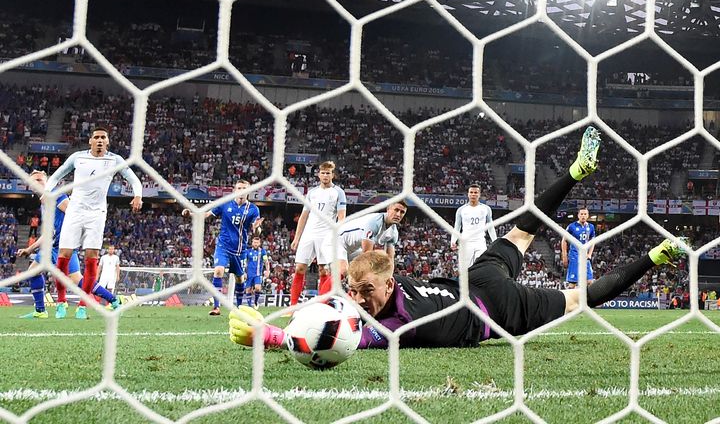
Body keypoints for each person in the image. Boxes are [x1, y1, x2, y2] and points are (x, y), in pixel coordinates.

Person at [229, 127, 685, 349]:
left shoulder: (392, 327)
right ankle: (582, 181)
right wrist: (283, 318)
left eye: (364, 291)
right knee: (526, 234)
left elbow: (336, 339)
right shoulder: (376, 296)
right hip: (477, 279)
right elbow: (331, 315)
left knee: (578, 297)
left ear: (390, 285)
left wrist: (269, 336)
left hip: (493, 308)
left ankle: (650, 252)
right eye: (355, 291)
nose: (358, 299)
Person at [45, 127, 142, 319]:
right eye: (96, 137)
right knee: (64, 255)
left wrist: (138, 195)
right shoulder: (77, 158)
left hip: (97, 214)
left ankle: (83, 305)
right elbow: (57, 175)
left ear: (107, 142)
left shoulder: (115, 160)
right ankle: (61, 302)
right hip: (74, 211)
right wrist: (48, 191)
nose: (99, 140)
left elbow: (134, 179)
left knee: (92, 257)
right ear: (90, 141)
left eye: (103, 137)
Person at [16, 170, 116, 319]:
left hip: (65, 247)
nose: (37, 183)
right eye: (34, 181)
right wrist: (30, 249)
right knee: (33, 271)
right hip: (52, 247)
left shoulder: (57, 196)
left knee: (76, 279)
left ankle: (114, 300)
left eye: (40, 180)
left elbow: (74, 214)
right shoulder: (45, 204)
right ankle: (40, 311)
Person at [182, 179, 263, 316]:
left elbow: (257, 231)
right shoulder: (225, 203)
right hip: (223, 246)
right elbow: (206, 215)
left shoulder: (253, 209)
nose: (241, 190)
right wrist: (190, 214)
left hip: (239, 249)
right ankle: (216, 307)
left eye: (244, 188)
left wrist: (256, 229)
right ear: (234, 190)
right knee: (218, 271)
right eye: (239, 188)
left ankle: (238, 307)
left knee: (239, 278)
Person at [317, 200, 407, 295]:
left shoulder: (393, 233)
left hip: (352, 248)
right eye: (396, 210)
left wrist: (388, 278)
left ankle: (351, 301)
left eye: (402, 212)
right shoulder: (375, 222)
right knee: (343, 269)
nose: (398, 214)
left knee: (358, 275)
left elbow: (390, 259)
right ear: (388, 209)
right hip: (335, 240)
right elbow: (366, 254)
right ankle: (321, 302)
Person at [290, 161, 347, 305]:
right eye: (323, 173)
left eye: (328, 173)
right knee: (300, 267)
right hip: (309, 234)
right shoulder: (312, 193)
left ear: (332, 175)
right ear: (319, 174)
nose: (325, 175)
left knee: (323, 270)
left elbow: (341, 217)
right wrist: (297, 238)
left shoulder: (338, 193)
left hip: (326, 235)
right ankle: (292, 305)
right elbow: (304, 216)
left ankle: (322, 305)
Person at [450, 183, 497, 270]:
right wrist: (453, 240)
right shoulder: (461, 210)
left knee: (481, 267)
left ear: (479, 195)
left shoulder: (486, 209)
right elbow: (457, 227)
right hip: (466, 243)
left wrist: (495, 241)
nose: (473, 194)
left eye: (475, 193)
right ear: (468, 194)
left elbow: (490, 227)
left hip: (480, 242)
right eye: (471, 192)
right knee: (466, 269)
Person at [561, 207, 596, 288]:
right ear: (578, 215)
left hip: (585, 257)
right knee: (572, 283)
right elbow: (564, 240)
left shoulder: (591, 227)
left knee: (590, 281)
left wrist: (590, 254)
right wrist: (564, 256)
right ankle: (570, 299)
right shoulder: (572, 226)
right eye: (581, 214)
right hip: (574, 256)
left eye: (585, 214)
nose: (583, 216)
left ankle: (587, 300)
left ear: (588, 216)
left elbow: (592, 241)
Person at [242, 235, 270, 309]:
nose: (255, 244)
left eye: (257, 243)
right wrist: (244, 272)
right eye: (254, 242)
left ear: (259, 243)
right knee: (248, 290)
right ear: (252, 243)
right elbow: (244, 262)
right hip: (249, 274)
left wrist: (267, 270)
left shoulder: (262, 252)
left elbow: (266, 262)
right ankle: (249, 306)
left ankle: (255, 302)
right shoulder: (248, 252)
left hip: (258, 274)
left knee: (258, 288)